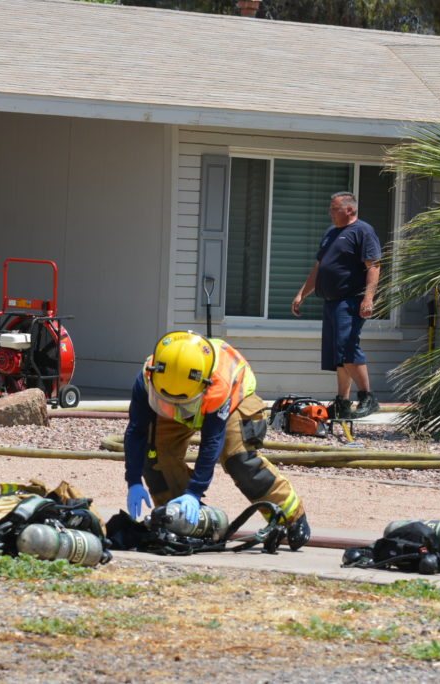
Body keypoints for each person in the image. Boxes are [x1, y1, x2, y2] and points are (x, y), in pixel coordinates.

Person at [123, 330, 310, 550]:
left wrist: (194, 492)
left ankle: (290, 516)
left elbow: (212, 441)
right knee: (155, 458)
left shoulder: (216, 385)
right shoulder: (148, 377)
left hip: (234, 398)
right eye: (166, 401)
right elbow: (136, 431)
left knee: (239, 459)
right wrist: (133, 480)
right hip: (187, 397)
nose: (175, 409)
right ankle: (184, 522)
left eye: (181, 404)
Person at [292, 191, 382, 420]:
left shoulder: (363, 231)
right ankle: (342, 402)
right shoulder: (331, 232)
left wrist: (368, 298)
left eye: (334, 209)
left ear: (349, 210)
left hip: (350, 301)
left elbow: (374, 266)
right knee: (338, 355)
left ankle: (368, 398)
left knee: (347, 348)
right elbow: (320, 266)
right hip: (331, 302)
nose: (330, 212)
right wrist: (302, 293)